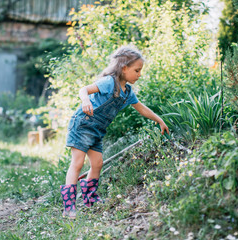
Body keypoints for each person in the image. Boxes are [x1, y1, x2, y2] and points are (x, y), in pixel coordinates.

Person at [60, 46, 169, 219]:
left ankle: (90, 199)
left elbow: (142, 108)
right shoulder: (109, 82)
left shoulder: (128, 92)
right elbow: (84, 90)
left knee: (97, 163)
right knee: (78, 163)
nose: (139, 74)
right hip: (83, 124)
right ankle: (69, 207)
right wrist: (85, 100)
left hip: (97, 130)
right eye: (137, 70)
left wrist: (160, 120)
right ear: (124, 68)